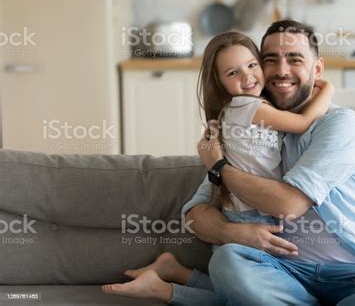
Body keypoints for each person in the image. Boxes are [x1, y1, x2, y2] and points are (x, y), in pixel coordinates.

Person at [184, 20, 355, 305]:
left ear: (317, 70)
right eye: (270, 60)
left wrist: (219, 167)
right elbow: (194, 215)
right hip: (285, 272)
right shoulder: (249, 138)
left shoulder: (342, 124)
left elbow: (287, 206)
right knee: (227, 261)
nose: (281, 70)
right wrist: (232, 231)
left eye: (295, 59)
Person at [102, 30, 333, 304]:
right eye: (233, 73)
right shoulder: (247, 107)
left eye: (251, 65)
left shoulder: (249, 109)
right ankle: (165, 288)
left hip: (247, 213)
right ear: (220, 83)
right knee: (254, 292)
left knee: (253, 291)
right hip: (250, 219)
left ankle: (172, 274)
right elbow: (302, 123)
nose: (247, 77)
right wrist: (326, 88)